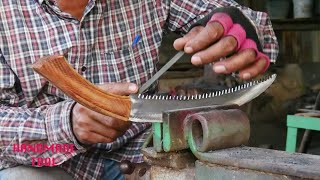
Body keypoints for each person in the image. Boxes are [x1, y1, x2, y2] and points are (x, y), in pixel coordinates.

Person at [0, 0, 278, 179]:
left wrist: (237, 25)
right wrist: (65, 125)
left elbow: (240, 20)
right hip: (50, 163)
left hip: (142, 156)